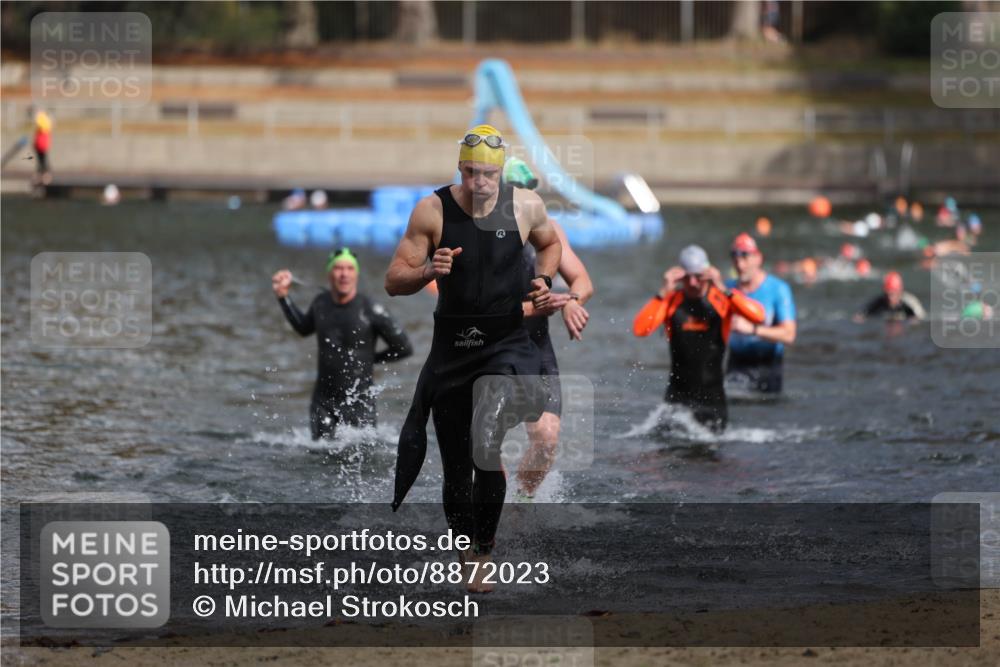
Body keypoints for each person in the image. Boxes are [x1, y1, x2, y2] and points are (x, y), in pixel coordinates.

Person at [384, 125, 560, 592]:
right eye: (469, 172)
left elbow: (550, 244)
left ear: (500, 173)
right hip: (453, 349)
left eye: (487, 174)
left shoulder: (525, 205)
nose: (479, 182)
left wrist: (544, 280)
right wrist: (427, 271)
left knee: (486, 444)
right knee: (457, 467)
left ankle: (484, 550)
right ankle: (466, 549)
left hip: (506, 344)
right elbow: (393, 280)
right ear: (458, 168)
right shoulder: (432, 210)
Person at [504, 157, 594, 500]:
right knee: (485, 444)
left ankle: (519, 504)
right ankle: (488, 511)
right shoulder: (479, 236)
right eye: (516, 191)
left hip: (536, 348)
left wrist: (571, 300)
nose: (525, 198)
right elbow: (477, 311)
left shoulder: (549, 229)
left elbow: (582, 279)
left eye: (529, 190)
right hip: (491, 348)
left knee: (547, 438)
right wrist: (535, 307)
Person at [272, 248, 413, 440]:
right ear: (330, 274)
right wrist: (283, 297)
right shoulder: (320, 303)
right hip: (323, 401)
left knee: (361, 452)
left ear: (356, 274)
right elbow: (303, 328)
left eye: (349, 268)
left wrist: (371, 359)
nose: (344, 274)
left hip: (359, 402)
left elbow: (404, 348)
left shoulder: (371, 309)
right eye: (338, 268)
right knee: (319, 452)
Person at [633, 245, 765, 433]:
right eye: (687, 277)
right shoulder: (671, 301)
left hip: (712, 400)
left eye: (698, 276)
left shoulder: (722, 299)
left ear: (708, 274)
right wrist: (663, 291)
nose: (693, 282)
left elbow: (759, 316)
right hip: (677, 399)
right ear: (679, 277)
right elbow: (640, 330)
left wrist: (723, 288)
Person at [725, 233, 797, 395]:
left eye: (745, 257)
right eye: (735, 258)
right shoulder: (727, 289)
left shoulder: (778, 289)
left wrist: (752, 329)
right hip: (736, 364)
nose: (740, 264)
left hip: (767, 365)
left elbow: (789, 335)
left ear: (758, 258)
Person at [853, 271, 926, 323]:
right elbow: (862, 314)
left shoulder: (909, 302)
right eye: (888, 293)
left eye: (893, 294)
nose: (890, 297)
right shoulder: (880, 301)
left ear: (899, 291)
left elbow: (921, 317)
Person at [31, 107, 52, 185]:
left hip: (41, 146)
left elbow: (39, 124)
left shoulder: (43, 125)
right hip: (40, 145)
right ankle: (42, 175)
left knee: (43, 160)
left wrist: (38, 116)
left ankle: (45, 175)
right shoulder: (43, 126)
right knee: (41, 160)